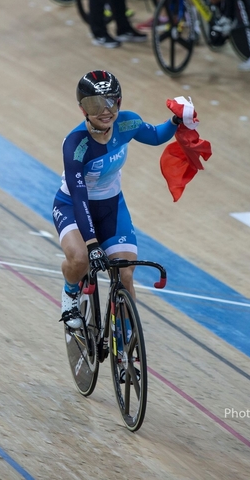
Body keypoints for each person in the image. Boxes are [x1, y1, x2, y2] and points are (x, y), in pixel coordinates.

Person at [53, 70, 182, 328]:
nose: (105, 111)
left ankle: (124, 341)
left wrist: (177, 120)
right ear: (83, 109)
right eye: (95, 104)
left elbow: (157, 135)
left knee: (125, 274)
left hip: (111, 206)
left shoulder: (126, 123)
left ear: (119, 101)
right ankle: (70, 292)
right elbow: (79, 196)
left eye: (110, 102)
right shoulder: (75, 144)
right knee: (80, 259)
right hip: (73, 207)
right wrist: (92, 244)